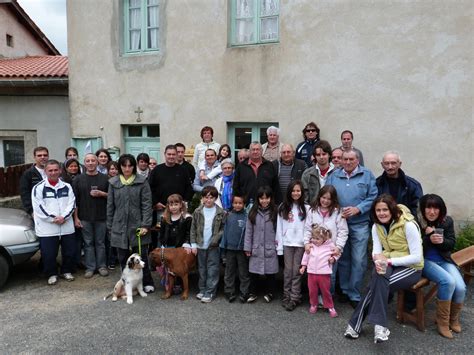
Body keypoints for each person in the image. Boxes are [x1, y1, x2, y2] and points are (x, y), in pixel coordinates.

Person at [344, 194, 423, 344]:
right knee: (379, 279)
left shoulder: (408, 225)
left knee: (375, 286)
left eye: (385, 209)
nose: (381, 213)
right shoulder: (376, 226)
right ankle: (378, 327)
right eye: (378, 210)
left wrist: (387, 261)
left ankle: (357, 325)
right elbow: (376, 250)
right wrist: (377, 260)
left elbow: (417, 257)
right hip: (388, 262)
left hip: (411, 268)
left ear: (392, 209)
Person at [326, 149, 377, 307]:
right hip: (339, 225)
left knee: (359, 260)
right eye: (344, 159)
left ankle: (355, 294)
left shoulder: (367, 175)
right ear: (340, 160)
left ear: (357, 160)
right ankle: (345, 290)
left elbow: (373, 196)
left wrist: (358, 208)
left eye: (351, 159)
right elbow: (327, 196)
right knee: (343, 258)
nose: (347, 162)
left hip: (359, 224)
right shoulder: (334, 176)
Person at [418, 194, 466, 338]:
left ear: (441, 209)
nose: (432, 212)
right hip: (425, 262)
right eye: (428, 207)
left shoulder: (446, 221)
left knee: (461, 287)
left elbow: (451, 243)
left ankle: (453, 319)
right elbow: (414, 248)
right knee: (448, 281)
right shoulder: (417, 223)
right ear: (423, 209)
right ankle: (442, 322)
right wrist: (428, 238)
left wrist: (440, 241)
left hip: (444, 260)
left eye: (436, 208)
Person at [107, 154, 155, 293]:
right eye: (124, 165)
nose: (127, 168)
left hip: (138, 224)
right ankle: (127, 284)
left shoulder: (142, 181)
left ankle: (147, 282)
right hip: (119, 224)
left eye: (130, 165)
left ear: (134, 167)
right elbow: (110, 206)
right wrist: (110, 225)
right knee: (122, 256)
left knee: (141, 255)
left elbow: (147, 204)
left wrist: (146, 225)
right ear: (120, 167)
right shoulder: (113, 183)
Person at [31, 159, 76, 285]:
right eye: (50, 170)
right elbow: (39, 207)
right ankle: (51, 274)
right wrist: (53, 218)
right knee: (49, 254)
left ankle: (66, 271)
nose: (53, 172)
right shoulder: (38, 188)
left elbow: (72, 204)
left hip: (66, 224)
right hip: (47, 227)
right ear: (45, 172)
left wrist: (64, 217)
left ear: (60, 171)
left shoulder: (67, 186)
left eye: (56, 170)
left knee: (69, 251)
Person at [304, 185, 348, 293]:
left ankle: (328, 296)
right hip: (315, 250)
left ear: (333, 200)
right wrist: (306, 243)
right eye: (323, 197)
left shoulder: (338, 213)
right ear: (319, 197)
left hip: (330, 250)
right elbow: (307, 229)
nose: (326, 201)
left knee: (330, 275)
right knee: (314, 274)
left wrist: (338, 247)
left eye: (329, 199)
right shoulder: (312, 211)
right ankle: (317, 296)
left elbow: (343, 231)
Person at [73, 153, 109, 278]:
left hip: (101, 216)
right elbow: (75, 201)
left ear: (97, 162)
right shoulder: (78, 179)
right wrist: (76, 218)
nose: (90, 163)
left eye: (93, 160)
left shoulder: (105, 178)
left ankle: (102, 266)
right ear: (84, 163)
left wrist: (102, 194)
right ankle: (90, 268)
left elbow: (112, 197)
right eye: (87, 161)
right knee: (88, 243)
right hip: (84, 217)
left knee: (100, 243)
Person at [188, 186, 226, 303]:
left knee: (213, 269)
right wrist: (193, 244)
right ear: (202, 198)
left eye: (211, 197)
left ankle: (210, 292)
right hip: (200, 245)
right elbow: (193, 229)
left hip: (213, 246)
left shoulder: (220, 212)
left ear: (215, 198)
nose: (208, 200)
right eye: (206, 197)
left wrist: (216, 238)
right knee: (202, 269)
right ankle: (202, 289)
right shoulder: (197, 211)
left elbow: (223, 228)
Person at [276, 180, 309, 311]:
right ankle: (286, 295)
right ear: (289, 192)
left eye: (298, 191)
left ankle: (295, 297)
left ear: (302, 192)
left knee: (297, 271)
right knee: (287, 271)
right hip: (287, 243)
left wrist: (307, 243)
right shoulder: (283, 207)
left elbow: (308, 228)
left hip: (300, 244)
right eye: (293, 191)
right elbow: (279, 228)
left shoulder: (307, 208)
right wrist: (279, 246)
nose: (296, 193)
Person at [244, 186, 279, 303]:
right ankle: (253, 292)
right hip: (256, 247)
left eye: (267, 198)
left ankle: (270, 292)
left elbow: (278, 231)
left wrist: (278, 247)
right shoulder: (252, 212)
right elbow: (248, 232)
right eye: (262, 198)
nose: (264, 201)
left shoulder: (275, 211)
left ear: (271, 198)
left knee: (271, 273)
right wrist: (247, 247)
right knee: (253, 272)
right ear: (258, 199)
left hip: (270, 247)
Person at [300, 224, 340, 317]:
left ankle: (330, 306)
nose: (314, 240)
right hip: (311, 273)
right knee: (312, 290)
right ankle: (314, 304)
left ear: (324, 238)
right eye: (313, 237)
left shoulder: (330, 245)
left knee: (326, 291)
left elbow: (337, 254)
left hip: (324, 273)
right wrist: (303, 266)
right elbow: (306, 255)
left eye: (317, 239)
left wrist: (333, 259)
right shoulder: (311, 246)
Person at [149, 145, 194, 219]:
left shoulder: (183, 170)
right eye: (169, 154)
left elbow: (188, 187)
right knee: (162, 230)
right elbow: (150, 188)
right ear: (165, 154)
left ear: (176, 155)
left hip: (179, 209)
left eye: (173, 154)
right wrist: (155, 202)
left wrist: (184, 201)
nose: (171, 156)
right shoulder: (157, 170)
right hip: (162, 209)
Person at [220, 194, 250, 303]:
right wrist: (223, 249)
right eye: (235, 203)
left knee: (243, 272)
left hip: (242, 249)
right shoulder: (229, 216)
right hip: (229, 249)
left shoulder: (247, 217)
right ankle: (229, 291)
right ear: (232, 203)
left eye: (240, 203)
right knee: (229, 272)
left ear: (244, 204)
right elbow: (225, 233)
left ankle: (244, 292)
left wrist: (248, 248)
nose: (237, 205)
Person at [376, 151, 423, 216]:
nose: (390, 167)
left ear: (399, 164)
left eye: (393, 163)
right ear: (382, 165)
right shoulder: (376, 184)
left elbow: (418, 209)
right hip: (382, 223)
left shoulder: (413, 185)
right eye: (386, 163)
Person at [233, 141, 280, 206]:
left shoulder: (269, 165)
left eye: (257, 149)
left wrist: (276, 204)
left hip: (266, 205)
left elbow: (275, 187)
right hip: (247, 205)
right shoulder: (241, 167)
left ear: (262, 151)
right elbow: (236, 187)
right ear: (249, 152)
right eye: (253, 149)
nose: (255, 152)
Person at [301, 140, 336, 204]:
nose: (321, 157)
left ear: (329, 155)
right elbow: (304, 197)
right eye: (318, 155)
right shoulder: (307, 174)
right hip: (313, 210)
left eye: (324, 154)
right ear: (314, 156)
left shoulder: (337, 173)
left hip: (333, 210)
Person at [20, 146, 49, 215]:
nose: (42, 157)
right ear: (34, 157)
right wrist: (31, 211)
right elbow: (25, 194)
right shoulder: (28, 174)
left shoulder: (53, 171)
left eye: (45, 155)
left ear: (48, 156)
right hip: (37, 211)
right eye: (39, 155)